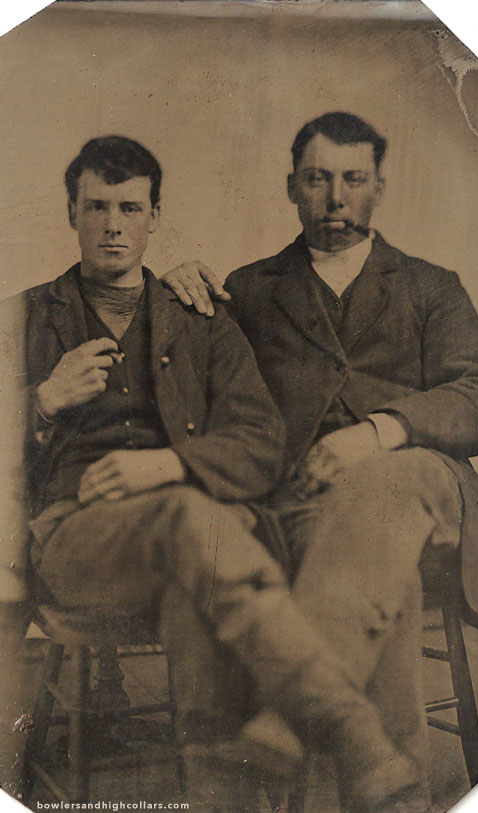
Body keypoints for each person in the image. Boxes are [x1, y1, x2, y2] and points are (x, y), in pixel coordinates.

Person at [0, 134, 435, 812]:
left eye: (129, 208)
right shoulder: (22, 317)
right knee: (191, 520)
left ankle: (221, 798)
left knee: (194, 580)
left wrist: (168, 463)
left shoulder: (199, 317)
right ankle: (350, 729)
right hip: (76, 537)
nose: (113, 225)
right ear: (70, 213)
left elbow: (263, 440)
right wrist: (46, 399)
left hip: (197, 550)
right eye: (95, 208)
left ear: (155, 216)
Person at [162, 112, 478, 810]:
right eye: (318, 178)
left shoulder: (433, 286)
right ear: (292, 187)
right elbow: (191, 391)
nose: (336, 198)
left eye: (354, 179)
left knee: (387, 485)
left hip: (426, 491)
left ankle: (286, 719)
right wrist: (173, 295)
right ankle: (393, 794)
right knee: (384, 585)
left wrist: (378, 431)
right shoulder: (249, 290)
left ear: (380, 188)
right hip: (303, 509)